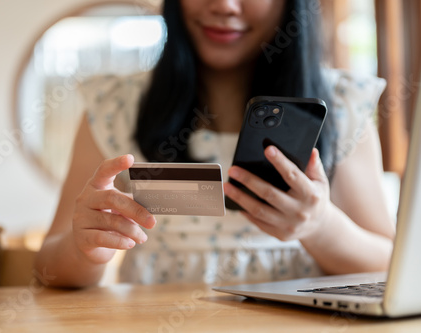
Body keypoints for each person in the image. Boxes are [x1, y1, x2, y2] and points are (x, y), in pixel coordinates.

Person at [35, 0, 395, 287]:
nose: (224, 5)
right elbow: (46, 268)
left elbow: (390, 264)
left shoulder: (343, 105)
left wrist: (321, 227)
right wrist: (85, 249)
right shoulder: (114, 105)